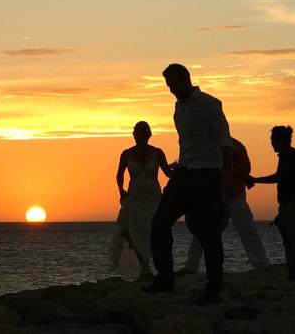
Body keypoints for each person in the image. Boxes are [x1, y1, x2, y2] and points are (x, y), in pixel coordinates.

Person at [144, 63, 233, 304]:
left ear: (185, 79)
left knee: (208, 234)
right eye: (168, 86)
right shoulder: (178, 109)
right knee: (160, 223)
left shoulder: (210, 105)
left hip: (206, 175)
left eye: (173, 85)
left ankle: (214, 289)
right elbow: (187, 145)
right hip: (184, 172)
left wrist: (224, 180)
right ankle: (165, 280)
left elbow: (225, 142)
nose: (171, 90)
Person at [180, 136, 270, 274]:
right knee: (201, 231)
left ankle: (262, 264)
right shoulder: (207, 145)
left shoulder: (235, 145)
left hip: (233, 195)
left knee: (247, 228)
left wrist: (226, 169)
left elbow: (246, 168)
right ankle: (191, 266)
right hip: (212, 195)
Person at [247, 125, 295, 281]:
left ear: (280, 140)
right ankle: (293, 275)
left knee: (294, 239)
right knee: (288, 241)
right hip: (285, 204)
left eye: (272, 140)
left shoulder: (294, 155)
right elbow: (280, 177)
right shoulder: (284, 157)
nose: (271, 143)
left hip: (293, 203)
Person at [109, 121, 172, 277]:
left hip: (153, 197)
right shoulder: (126, 154)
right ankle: (142, 265)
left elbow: (168, 173)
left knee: (153, 230)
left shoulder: (157, 152)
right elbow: (119, 174)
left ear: (149, 135)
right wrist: (121, 192)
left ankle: (152, 265)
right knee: (131, 230)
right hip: (134, 196)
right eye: (138, 134)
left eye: (144, 134)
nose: (140, 137)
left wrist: (180, 170)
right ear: (134, 135)